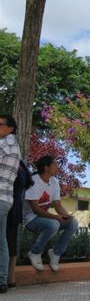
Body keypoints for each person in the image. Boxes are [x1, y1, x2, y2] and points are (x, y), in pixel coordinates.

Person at [23, 155, 78, 272]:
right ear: (46, 167)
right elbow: (35, 209)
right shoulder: (33, 181)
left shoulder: (54, 182)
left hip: (45, 219)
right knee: (54, 224)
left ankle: (56, 253)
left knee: (72, 223)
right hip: (31, 219)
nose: (57, 167)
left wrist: (66, 215)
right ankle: (34, 252)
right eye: (54, 164)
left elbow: (58, 205)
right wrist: (56, 217)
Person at [0, 115, 20, 294]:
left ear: (11, 128)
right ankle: (2, 280)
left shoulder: (5, 145)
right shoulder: (13, 146)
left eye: (0, 124)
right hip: (5, 199)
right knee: (1, 240)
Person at [7, 160, 33, 289]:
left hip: (7, 208)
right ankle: (10, 279)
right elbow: (29, 183)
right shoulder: (21, 164)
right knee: (11, 244)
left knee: (6, 243)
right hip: (15, 209)